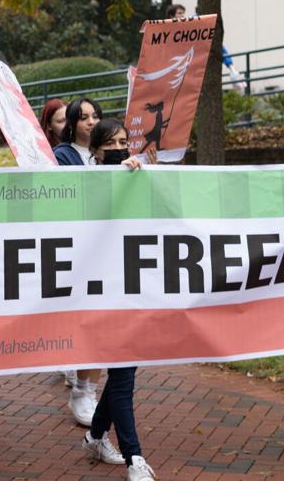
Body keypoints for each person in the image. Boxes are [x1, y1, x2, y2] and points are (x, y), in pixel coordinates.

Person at [79, 118, 157, 481]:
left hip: (132, 291)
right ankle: (134, 459)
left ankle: (95, 437)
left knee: (123, 374)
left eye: (123, 142)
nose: (118, 149)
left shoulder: (134, 176)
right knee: (123, 378)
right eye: (109, 144)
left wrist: (138, 178)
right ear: (94, 151)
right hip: (99, 295)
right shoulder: (83, 182)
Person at [51, 98, 103, 424]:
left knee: (102, 321)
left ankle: (88, 390)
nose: (91, 122)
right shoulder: (63, 156)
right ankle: (79, 386)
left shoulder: (108, 153)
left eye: (95, 116)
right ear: (72, 123)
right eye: (84, 117)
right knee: (81, 316)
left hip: (105, 247)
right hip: (76, 249)